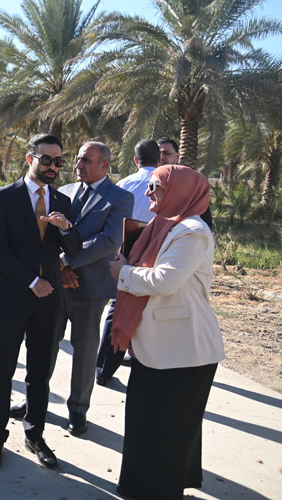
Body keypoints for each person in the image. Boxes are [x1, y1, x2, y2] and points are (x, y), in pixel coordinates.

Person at [109, 165, 223, 499]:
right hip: (156, 347)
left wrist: (123, 272)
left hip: (183, 350)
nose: (147, 193)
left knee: (169, 431)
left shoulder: (192, 231)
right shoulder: (162, 226)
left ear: (180, 191)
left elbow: (164, 281)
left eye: (155, 187)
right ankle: (142, 488)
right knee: (148, 425)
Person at [10, 141, 132, 436]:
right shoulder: (63, 192)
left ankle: (78, 408)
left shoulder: (120, 198)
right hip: (55, 284)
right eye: (77, 159)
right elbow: (49, 237)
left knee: (85, 349)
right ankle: (33, 401)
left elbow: (109, 241)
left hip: (90, 287)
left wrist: (65, 262)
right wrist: (60, 269)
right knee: (44, 344)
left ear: (104, 165)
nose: (78, 165)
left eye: (86, 160)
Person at [0, 133, 81, 471]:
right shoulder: (4, 197)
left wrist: (66, 228)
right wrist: (31, 281)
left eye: (59, 161)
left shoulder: (63, 201)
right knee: (3, 370)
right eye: (47, 160)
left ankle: (35, 435)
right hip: (12, 297)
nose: (53, 167)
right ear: (30, 159)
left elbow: (75, 249)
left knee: (39, 373)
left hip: (49, 301)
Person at [96, 138, 160, 385]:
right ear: (159, 159)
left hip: (126, 252)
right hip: (156, 253)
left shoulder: (124, 184)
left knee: (118, 308)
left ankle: (104, 368)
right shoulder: (163, 183)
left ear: (135, 160)